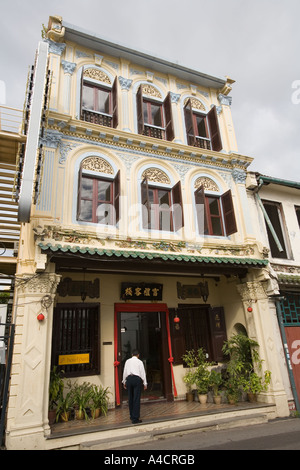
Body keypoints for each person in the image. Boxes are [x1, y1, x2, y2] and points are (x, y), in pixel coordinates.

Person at [122, 349, 147, 424]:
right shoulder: (139, 362)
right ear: (138, 355)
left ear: (132, 354)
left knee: (130, 398)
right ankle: (135, 418)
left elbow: (125, 371)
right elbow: (143, 373)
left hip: (129, 379)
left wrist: (124, 381)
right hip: (136, 379)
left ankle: (131, 416)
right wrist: (145, 383)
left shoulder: (127, 361)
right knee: (136, 398)